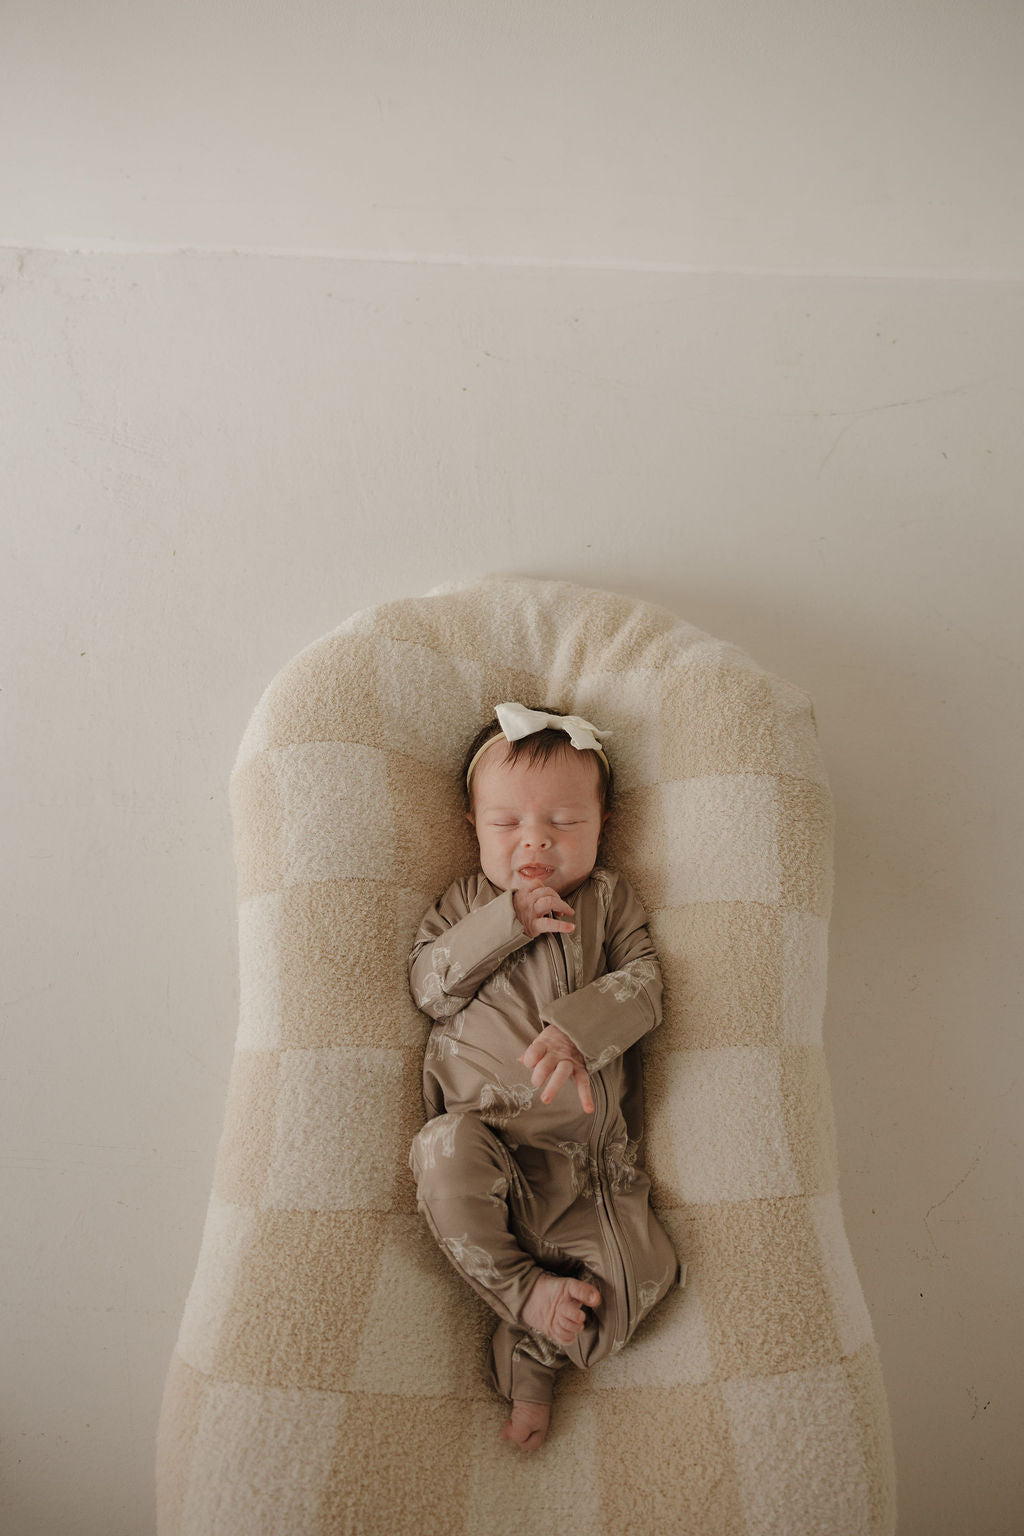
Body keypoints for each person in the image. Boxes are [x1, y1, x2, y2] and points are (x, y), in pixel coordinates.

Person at [407, 702, 682, 1453]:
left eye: (563, 822)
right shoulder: (463, 905)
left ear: (603, 824)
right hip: (488, 1147)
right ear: (473, 825)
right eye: (507, 824)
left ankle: (534, 1344)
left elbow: (648, 985)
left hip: (586, 1170)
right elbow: (429, 988)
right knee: (438, 1154)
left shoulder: (610, 901)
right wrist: (507, 922)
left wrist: (580, 1029)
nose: (534, 840)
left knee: (642, 1281)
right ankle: (525, 1296)